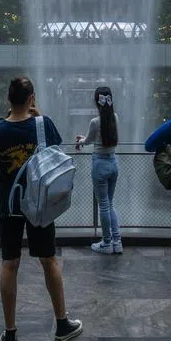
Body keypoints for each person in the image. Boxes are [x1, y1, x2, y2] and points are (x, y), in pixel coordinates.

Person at [0, 77, 82, 341]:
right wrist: (36, 118)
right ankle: (62, 324)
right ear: (31, 99)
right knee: (48, 259)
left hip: (8, 203)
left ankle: (11, 334)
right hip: (39, 203)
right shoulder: (44, 124)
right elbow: (54, 158)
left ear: (8, 99)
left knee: (9, 263)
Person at [77, 85, 122, 254]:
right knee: (110, 204)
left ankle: (106, 243)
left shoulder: (95, 122)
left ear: (97, 102)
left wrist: (80, 140)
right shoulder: (115, 117)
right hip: (113, 163)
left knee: (103, 205)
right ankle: (117, 242)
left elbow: (88, 141)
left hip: (100, 164)